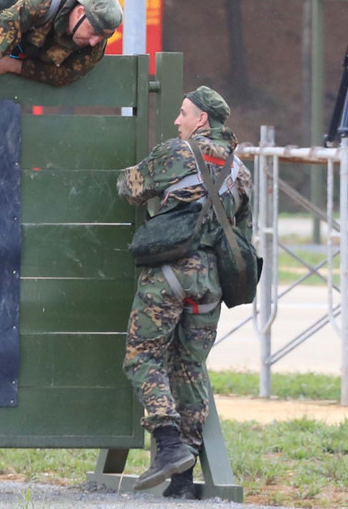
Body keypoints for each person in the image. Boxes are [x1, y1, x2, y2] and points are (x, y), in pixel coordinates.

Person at [117, 86, 253, 499]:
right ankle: (180, 478)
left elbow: (128, 187)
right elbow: (243, 230)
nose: (177, 121)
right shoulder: (240, 171)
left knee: (143, 356)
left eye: (183, 114)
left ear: (202, 121)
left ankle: (169, 442)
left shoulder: (176, 152)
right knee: (190, 366)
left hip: (169, 273)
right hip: (210, 282)